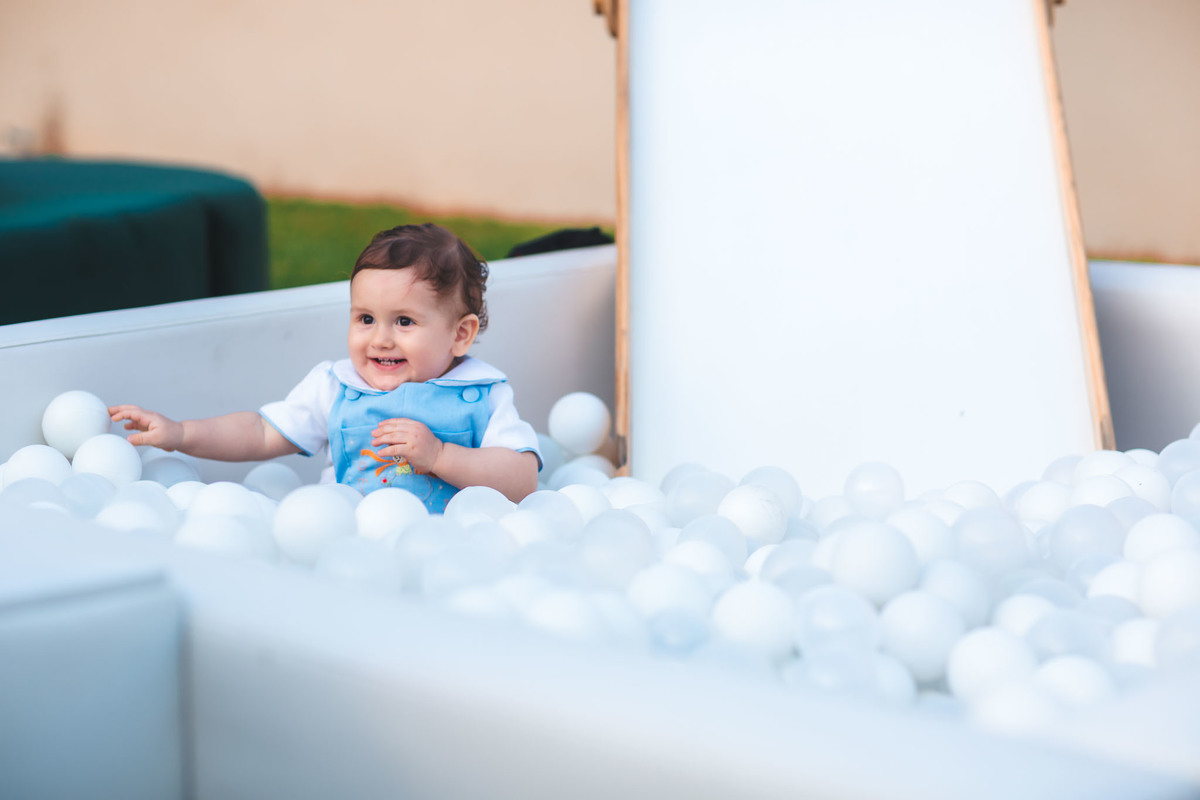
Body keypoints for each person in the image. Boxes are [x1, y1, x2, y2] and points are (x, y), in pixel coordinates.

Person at [110, 223, 541, 512]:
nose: (380, 339)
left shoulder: (483, 394)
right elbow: (260, 432)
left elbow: (522, 479)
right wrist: (182, 433)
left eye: (404, 322)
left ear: (460, 335)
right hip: (345, 539)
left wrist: (441, 456)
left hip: (446, 548)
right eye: (365, 318)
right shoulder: (336, 386)